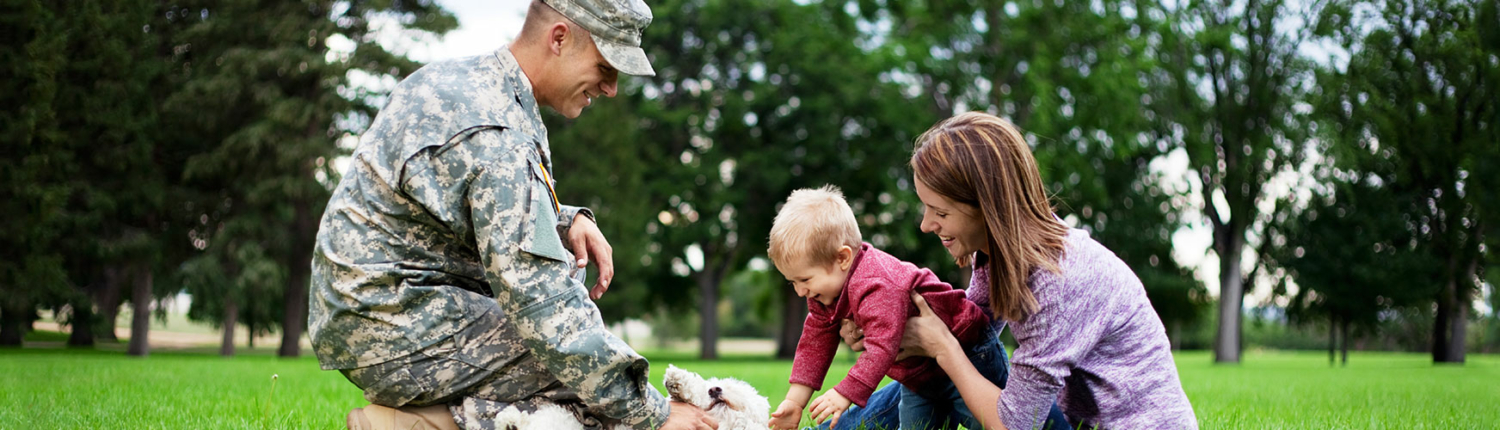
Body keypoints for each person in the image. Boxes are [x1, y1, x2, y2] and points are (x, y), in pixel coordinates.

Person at [307, 1, 717, 429]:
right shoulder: (497, 134)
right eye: (605, 65)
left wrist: (564, 218)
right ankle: (408, 426)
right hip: (389, 324)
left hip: (372, 307)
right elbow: (542, 306)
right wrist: (655, 413)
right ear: (559, 39)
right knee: (578, 367)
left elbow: (462, 204)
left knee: (581, 350)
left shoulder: (472, 84)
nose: (611, 87)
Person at [891, 112, 1198, 429]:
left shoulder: (1057, 281)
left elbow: (1012, 425)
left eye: (941, 212)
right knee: (938, 361)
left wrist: (942, 347)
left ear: (988, 207)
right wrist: (886, 327)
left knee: (950, 356)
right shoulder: (996, 253)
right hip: (1078, 420)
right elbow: (969, 331)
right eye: (925, 207)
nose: (926, 225)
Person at [764, 186, 1059, 430]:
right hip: (917, 375)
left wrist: (845, 392)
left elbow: (882, 347)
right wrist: (794, 401)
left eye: (804, 279)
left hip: (970, 353)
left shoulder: (876, 282)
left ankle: (1061, 419)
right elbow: (814, 341)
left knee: (1009, 422)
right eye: (793, 283)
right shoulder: (824, 292)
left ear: (842, 258)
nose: (801, 291)